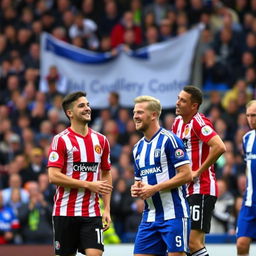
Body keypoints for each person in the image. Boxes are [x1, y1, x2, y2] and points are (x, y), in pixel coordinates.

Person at [47, 91, 113, 256]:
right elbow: (53, 176)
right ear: (69, 113)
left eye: (88, 105)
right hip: (65, 212)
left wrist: (107, 209)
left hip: (91, 213)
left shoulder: (101, 140)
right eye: (81, 106)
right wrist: (89, 185)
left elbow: (106, 173)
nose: (87, 108)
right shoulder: (61, 140)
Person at [131, 95, 193, 256]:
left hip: (174, 214)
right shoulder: (137, 148)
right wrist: (136, 188)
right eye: (134, 112)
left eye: (140, 112)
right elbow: (140, 180)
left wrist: (155, 188)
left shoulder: (170, 140)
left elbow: (186, 175)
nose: (135, 116)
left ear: (153, 115)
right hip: (149, 217)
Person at [172, 86, 226, 256]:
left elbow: (219, 147)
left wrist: (197, 171)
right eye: (178, 98)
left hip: (201, 188)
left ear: (194, 106)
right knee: (188, 244)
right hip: (184, 190)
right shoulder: (177, 123)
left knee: (192, 243)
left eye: (183, 100)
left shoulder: (199, 122)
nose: (177, 103)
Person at [236, 100, 256, 256]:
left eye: (254, 115)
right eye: (248, 115)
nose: (251, 119)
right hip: (249, 202)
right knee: (241, 244)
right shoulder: (247, 138)